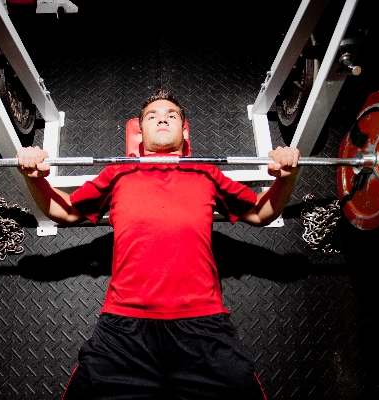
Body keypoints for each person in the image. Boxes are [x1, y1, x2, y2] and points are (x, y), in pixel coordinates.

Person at [17, 88, 300, 400]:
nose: (162, 119)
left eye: (171, 115)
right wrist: (34, 177)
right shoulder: (120, 171)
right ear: (139, 133)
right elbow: (66, 211)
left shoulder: (205, 171)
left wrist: (286, 177)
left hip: (203, 327)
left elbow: (260, 212)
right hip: (125, 329)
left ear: (184, 130)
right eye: (152, 116)